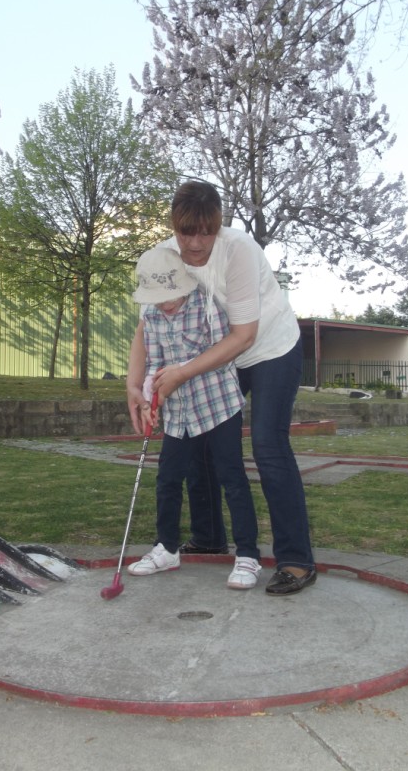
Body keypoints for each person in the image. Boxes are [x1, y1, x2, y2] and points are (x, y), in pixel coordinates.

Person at [127, 181, 316, 596]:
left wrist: (181, 373)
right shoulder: (164, 256)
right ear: (174, 227)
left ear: (218, 225)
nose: (195, 243)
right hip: (215, 355)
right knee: (198, 436)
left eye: (205, 232)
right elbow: (146, 326)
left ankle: (296, 559)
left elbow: (244, 335)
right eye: (185, 232)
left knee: (267, 444)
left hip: (268, 348)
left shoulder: (240, 250)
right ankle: (210, 536)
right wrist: (132, 386)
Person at [127, 246, 262, 590]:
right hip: (178, 412)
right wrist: (147, 398)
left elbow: (223, 354)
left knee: (232, 479)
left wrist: (182, 374)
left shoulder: (206, 305)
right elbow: (153, 364)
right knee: (168, 479)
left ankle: (247, 555)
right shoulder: (152, 318)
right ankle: (167, 548)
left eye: (170, 295)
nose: (166, 303)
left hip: (218, 404)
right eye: (158, 298)